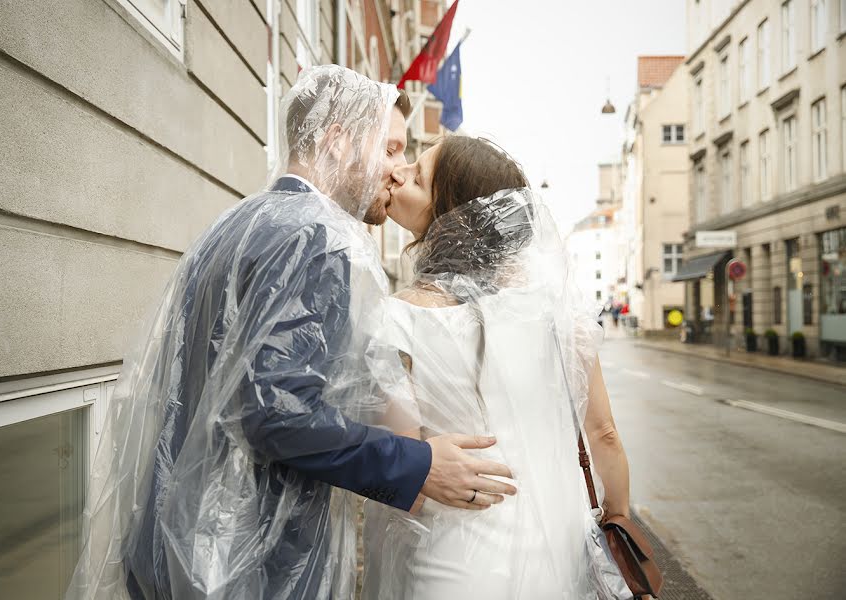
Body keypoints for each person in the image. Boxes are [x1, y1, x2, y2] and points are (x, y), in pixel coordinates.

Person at [66, 67, 514, 600]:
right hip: (241, 560)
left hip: (178, 540)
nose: (396, 172)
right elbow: (276, 412)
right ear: (338, 141)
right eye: (391, 150)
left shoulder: (236, 224)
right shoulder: (317, 240)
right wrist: (418, 464)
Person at [361, 136, 633, 599]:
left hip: (454, 566)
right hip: (559, 557)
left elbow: (406, 480)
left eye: (419, 176)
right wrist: (616, 518)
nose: (398, 172)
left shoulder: (397, 320)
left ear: (451, 215)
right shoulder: (559, 318)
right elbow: (603, 434)